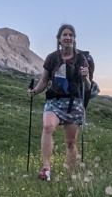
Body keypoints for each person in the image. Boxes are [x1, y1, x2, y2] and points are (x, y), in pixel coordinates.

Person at [29, 23, 93, 181]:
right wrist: (35, 91)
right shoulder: (52, 58)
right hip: (54, 101)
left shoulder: (81, 59)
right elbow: (44, 80)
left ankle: (71, 176)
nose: (68, 37)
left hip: (74, 103)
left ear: (74, 39)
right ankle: (46, 169)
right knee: (47, 126)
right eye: (65, 35)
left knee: (71, 141)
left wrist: (85, 77)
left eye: (71, 35)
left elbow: (88, 86)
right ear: (59, 39)